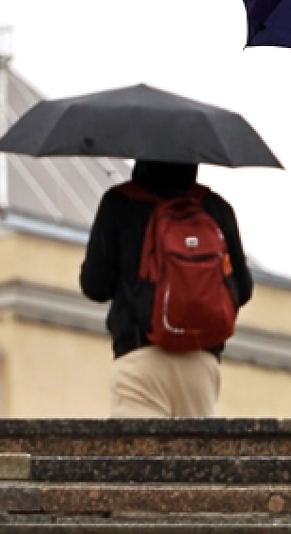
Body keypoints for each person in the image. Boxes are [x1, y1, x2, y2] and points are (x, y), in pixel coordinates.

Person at [79, 160, 253, 417]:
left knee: (139, 456)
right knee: (193, 455)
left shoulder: (119, 203)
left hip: (140, 359)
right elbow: (243, 289)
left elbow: (95, 286)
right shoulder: (216, 209)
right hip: (200, 364)